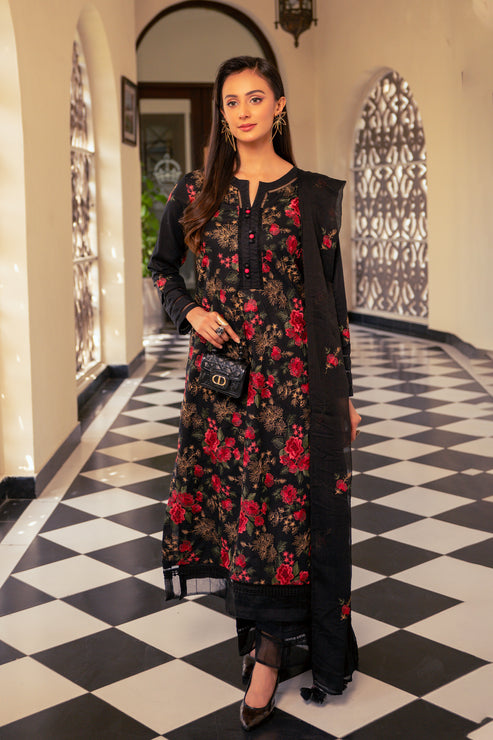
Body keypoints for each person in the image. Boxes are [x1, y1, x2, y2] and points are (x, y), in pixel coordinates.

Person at [149, 55, 361, 732]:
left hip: (294, 383)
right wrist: (190, 311)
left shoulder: (310, 195)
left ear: (279, 106)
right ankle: (258, 638)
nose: (243, 111)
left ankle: (268, 657)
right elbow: (162, 269)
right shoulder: (195, 192)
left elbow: (331, 301)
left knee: (282, 519)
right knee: (238, 514)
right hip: (221, 386)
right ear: (222, 114)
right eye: (231, 101)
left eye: (255, 98)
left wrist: (343, 394)